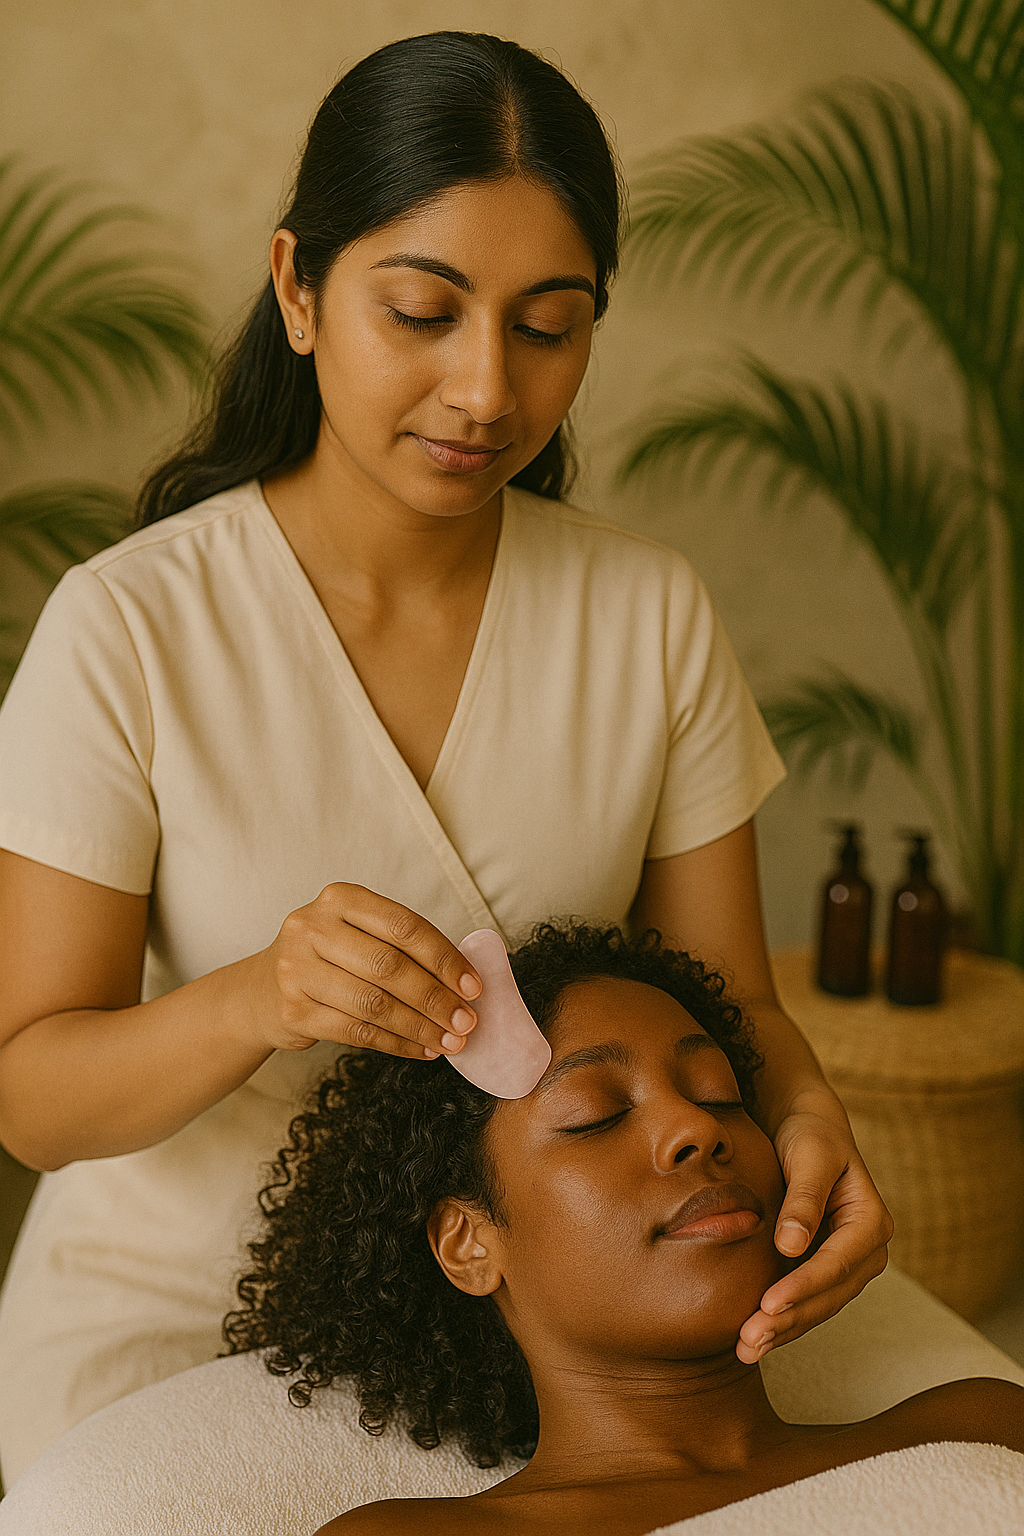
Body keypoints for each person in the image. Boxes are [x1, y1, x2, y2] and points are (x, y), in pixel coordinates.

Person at [0, 31, 890, 1487]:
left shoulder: (647, 613)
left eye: (549, 327)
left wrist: (802, 1116)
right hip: (177, 1317)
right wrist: (257, 1000)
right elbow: (30, 1094)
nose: (485, 390)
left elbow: (737, 1010)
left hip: (565, 1322)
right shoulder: (132, 628)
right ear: (298, 289)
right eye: (422, 311)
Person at [224, 923, 1024, 1535]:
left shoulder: (981, 1427)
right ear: (469, 1245)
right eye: (595, 1116)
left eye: (718, 1095)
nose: (696, 1130)